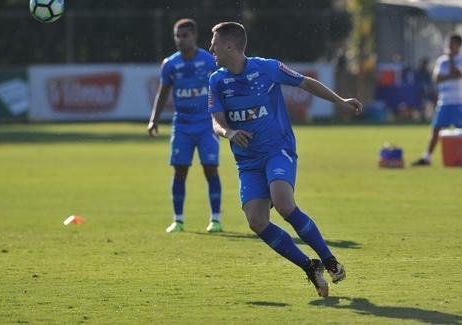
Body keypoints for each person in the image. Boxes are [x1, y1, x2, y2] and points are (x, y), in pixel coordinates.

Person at [207, 22, 363, 297]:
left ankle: (329, 259)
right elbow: (216, 122)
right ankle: (309, 266)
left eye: (214, 43)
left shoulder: (267, 68)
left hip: (277, 149)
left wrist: (340, 100)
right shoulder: (216, 81)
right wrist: (229, 133)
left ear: (230, 45)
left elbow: (306, 83)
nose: (211, 48)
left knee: (283, 203)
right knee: (256, 221)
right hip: (247, 162)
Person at [148, 18, 223, 233]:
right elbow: (163, 93)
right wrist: (154, 119)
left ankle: (215, 219)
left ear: (194, 36)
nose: (180, 40)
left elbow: (219, 88)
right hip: (181, 125)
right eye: (177, 36)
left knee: (211, 169)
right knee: (179, 171)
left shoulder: (209, 61)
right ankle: (178, 220)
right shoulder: (170, 64)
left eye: (185, 36)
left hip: (206, 124)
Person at [412, 34, 462, 166]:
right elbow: (437, 78)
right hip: (444, 100)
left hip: (458, 100)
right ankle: (427, 157)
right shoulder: (442, 60)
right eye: (449, 43)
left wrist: (451, 62)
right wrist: (450, 75)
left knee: (458, 131)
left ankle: (458, 158)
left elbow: (459, 73)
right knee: (436, 129)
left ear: (459, 45)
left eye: (452, 43)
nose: (449, 46)